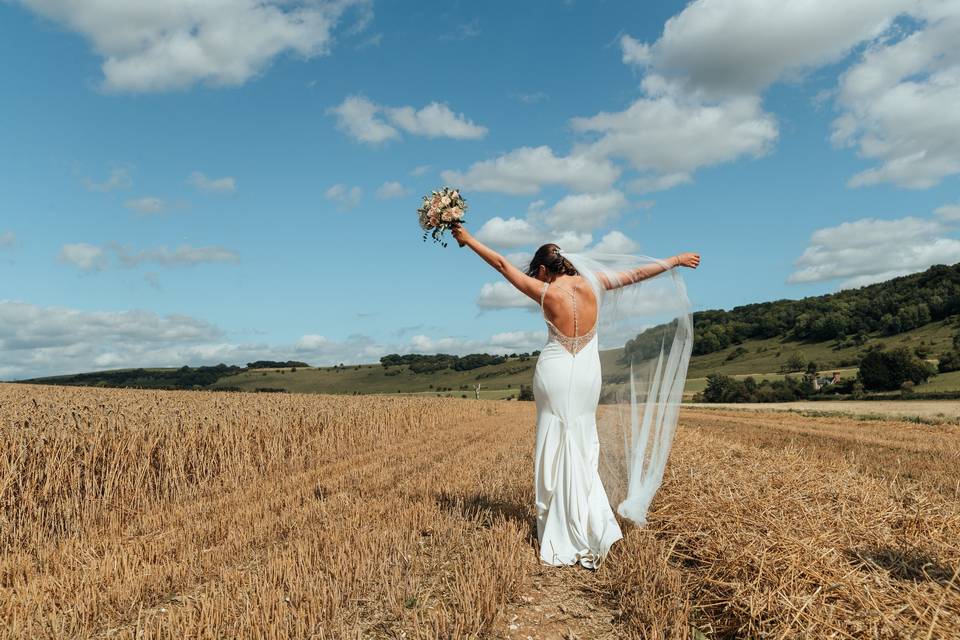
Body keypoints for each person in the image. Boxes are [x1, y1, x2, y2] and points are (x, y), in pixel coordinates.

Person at [451, 223, 699, 568]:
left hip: (554, 371)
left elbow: (501, 265)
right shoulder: (595, 286)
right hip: (586, 374)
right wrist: (675, 259)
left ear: (542, 269)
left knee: (554, 438)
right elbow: (639, 273)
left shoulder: (545, 292)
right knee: (582, 441)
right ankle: (589, 520)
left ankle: (558, 521)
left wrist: (468, 239)